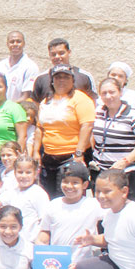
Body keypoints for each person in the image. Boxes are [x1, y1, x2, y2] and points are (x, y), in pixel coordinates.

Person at [33, 64, 95, 198]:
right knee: (49, 196)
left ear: (73, 80)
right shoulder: (46, 101)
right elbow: (39, 127)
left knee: (68, 197)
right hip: (48, 157)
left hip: (70, 157)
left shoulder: (81, 99)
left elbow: (87, 126)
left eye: (66, 77)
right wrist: (36, 151)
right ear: (52, 81)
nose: (61, 80)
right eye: (58, 77)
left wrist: (79, 153)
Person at [91, 77, 135, 202]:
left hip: (125, 173)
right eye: (104, 93)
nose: (108, 96)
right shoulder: (97, 113)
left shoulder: (134, 115)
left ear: (120, 93)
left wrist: (124, 162)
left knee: (124, 211)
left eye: (112, 92)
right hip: (101, 172)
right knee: (102, 211)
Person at [30, 38, 96, 104]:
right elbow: (35, 104)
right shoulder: (41, 78)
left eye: (61, 53)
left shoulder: (84, 76)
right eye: (53, 54)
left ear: (69, 53)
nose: (57, 57)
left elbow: (93, 101)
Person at [0, 31, 38, 102]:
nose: (15, 44)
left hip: (20, 109)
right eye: (12, 42)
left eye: (18, 41)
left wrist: (9, 107)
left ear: (24, 44)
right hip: (1, 109)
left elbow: (26, 96)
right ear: (7, 44)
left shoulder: (31, 66)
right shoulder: (1, 65)